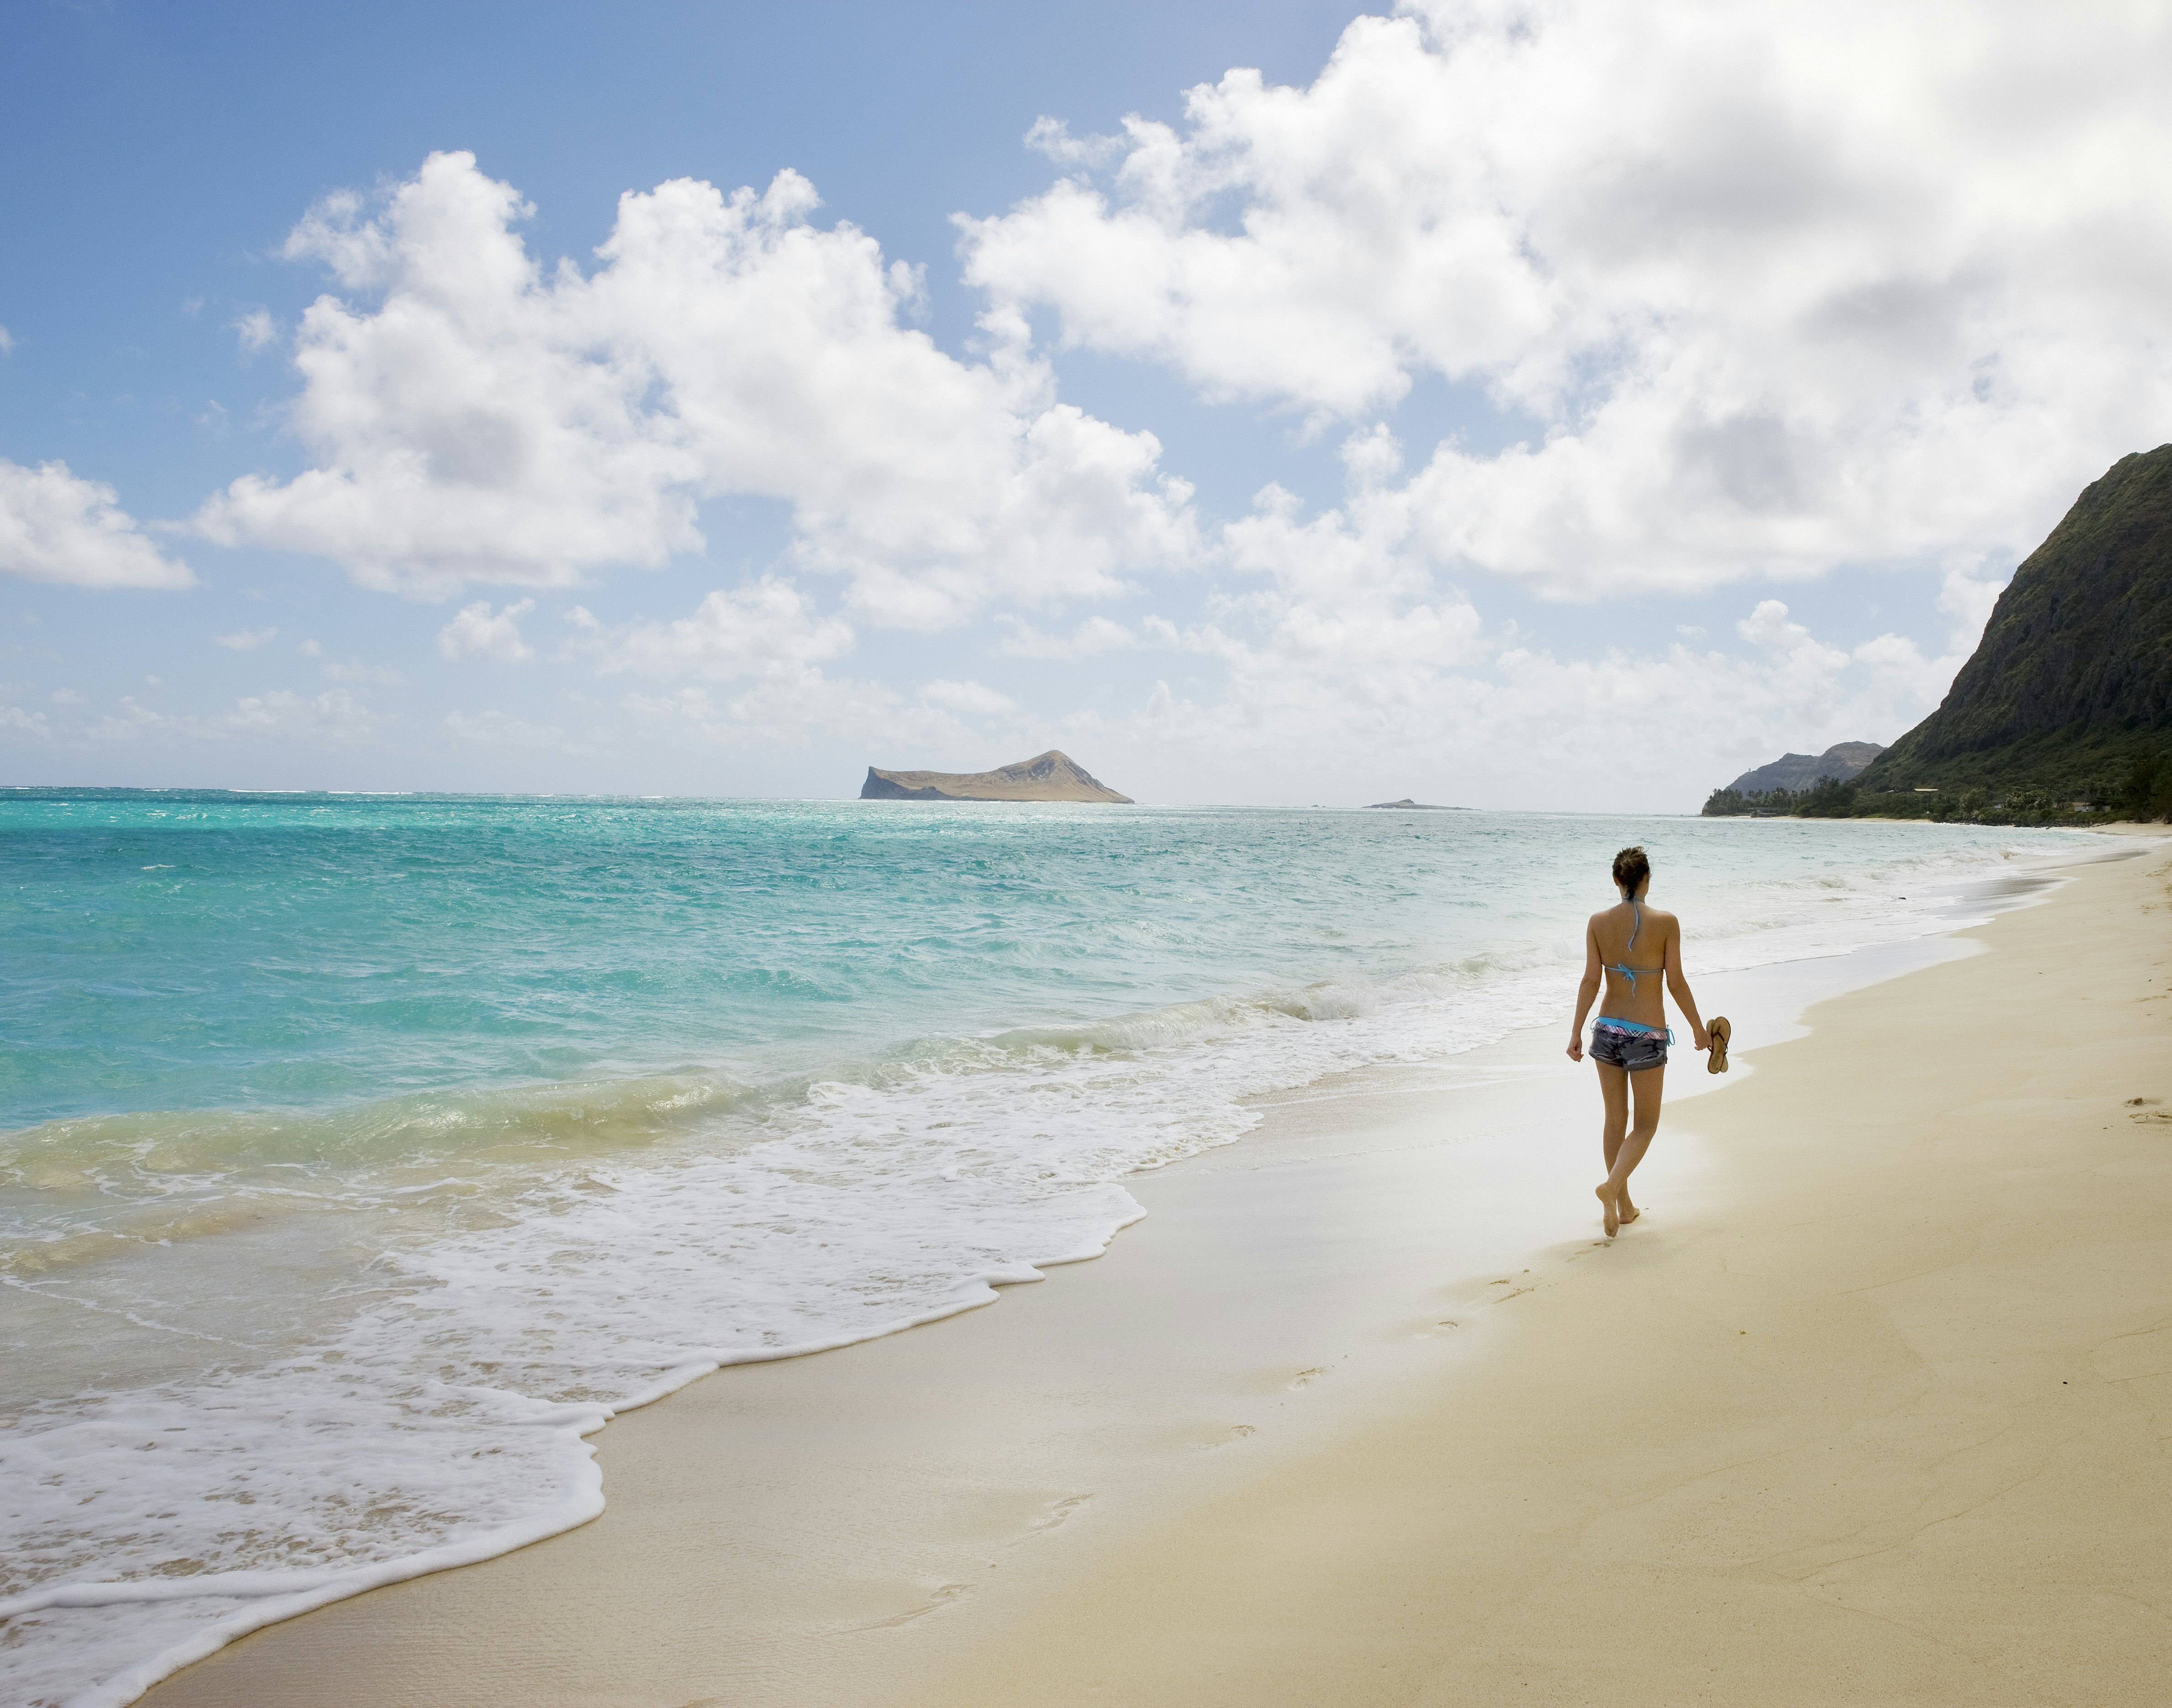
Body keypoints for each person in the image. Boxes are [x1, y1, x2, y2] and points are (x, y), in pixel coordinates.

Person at [1566, 845, 1716, 1236]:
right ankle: (1614, 1189)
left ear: (1616, 880)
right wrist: (1699, 1029)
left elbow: (1590, 981)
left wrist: (1576, 1032)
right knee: (1646, 1124)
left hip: (1606, 1030)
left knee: (1615, 1119)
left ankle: (1625, 1206)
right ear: (1647, 878)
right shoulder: (1667, 922)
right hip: (1647, 1035)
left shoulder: (1598, 922)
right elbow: (1676, 982)